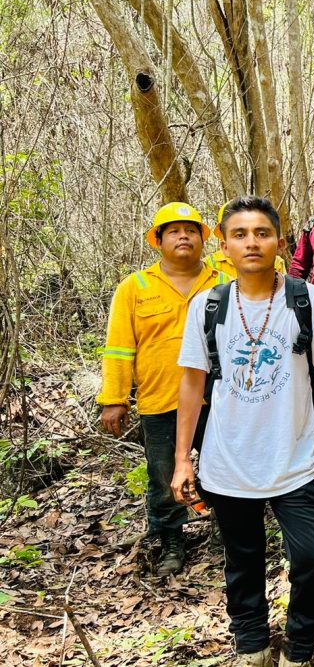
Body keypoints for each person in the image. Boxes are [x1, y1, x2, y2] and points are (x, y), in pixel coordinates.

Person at [172, 195, 314, 667]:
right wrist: (182, 457)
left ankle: (301, 646)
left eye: (262, 233)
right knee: (242, 560)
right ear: (223, 245)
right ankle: (251, 644)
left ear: (280, 242)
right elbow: (192, 383)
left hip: (296, 457)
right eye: (241, 234)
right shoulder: (207, 307)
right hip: (228, 460)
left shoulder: (309, 300)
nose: (252, 242)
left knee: (312, 556)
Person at [97, 202, 226, 577]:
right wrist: (114, 399)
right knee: (163, 474)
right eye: (173, 231)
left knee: (225, 468)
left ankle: (227, 531)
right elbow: (119, 347)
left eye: (190, 230)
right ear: (158, 240)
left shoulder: (222, 283)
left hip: (218, 400)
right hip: (160, 400)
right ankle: (171, 540)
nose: (183, 236)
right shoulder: (135, 287)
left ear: (203, 238)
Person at [205, 205, 287, 279]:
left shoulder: (275, 261)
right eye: (239, 235)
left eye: (262, 234)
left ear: (280, 245)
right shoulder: (209, 262)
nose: (251, 243)